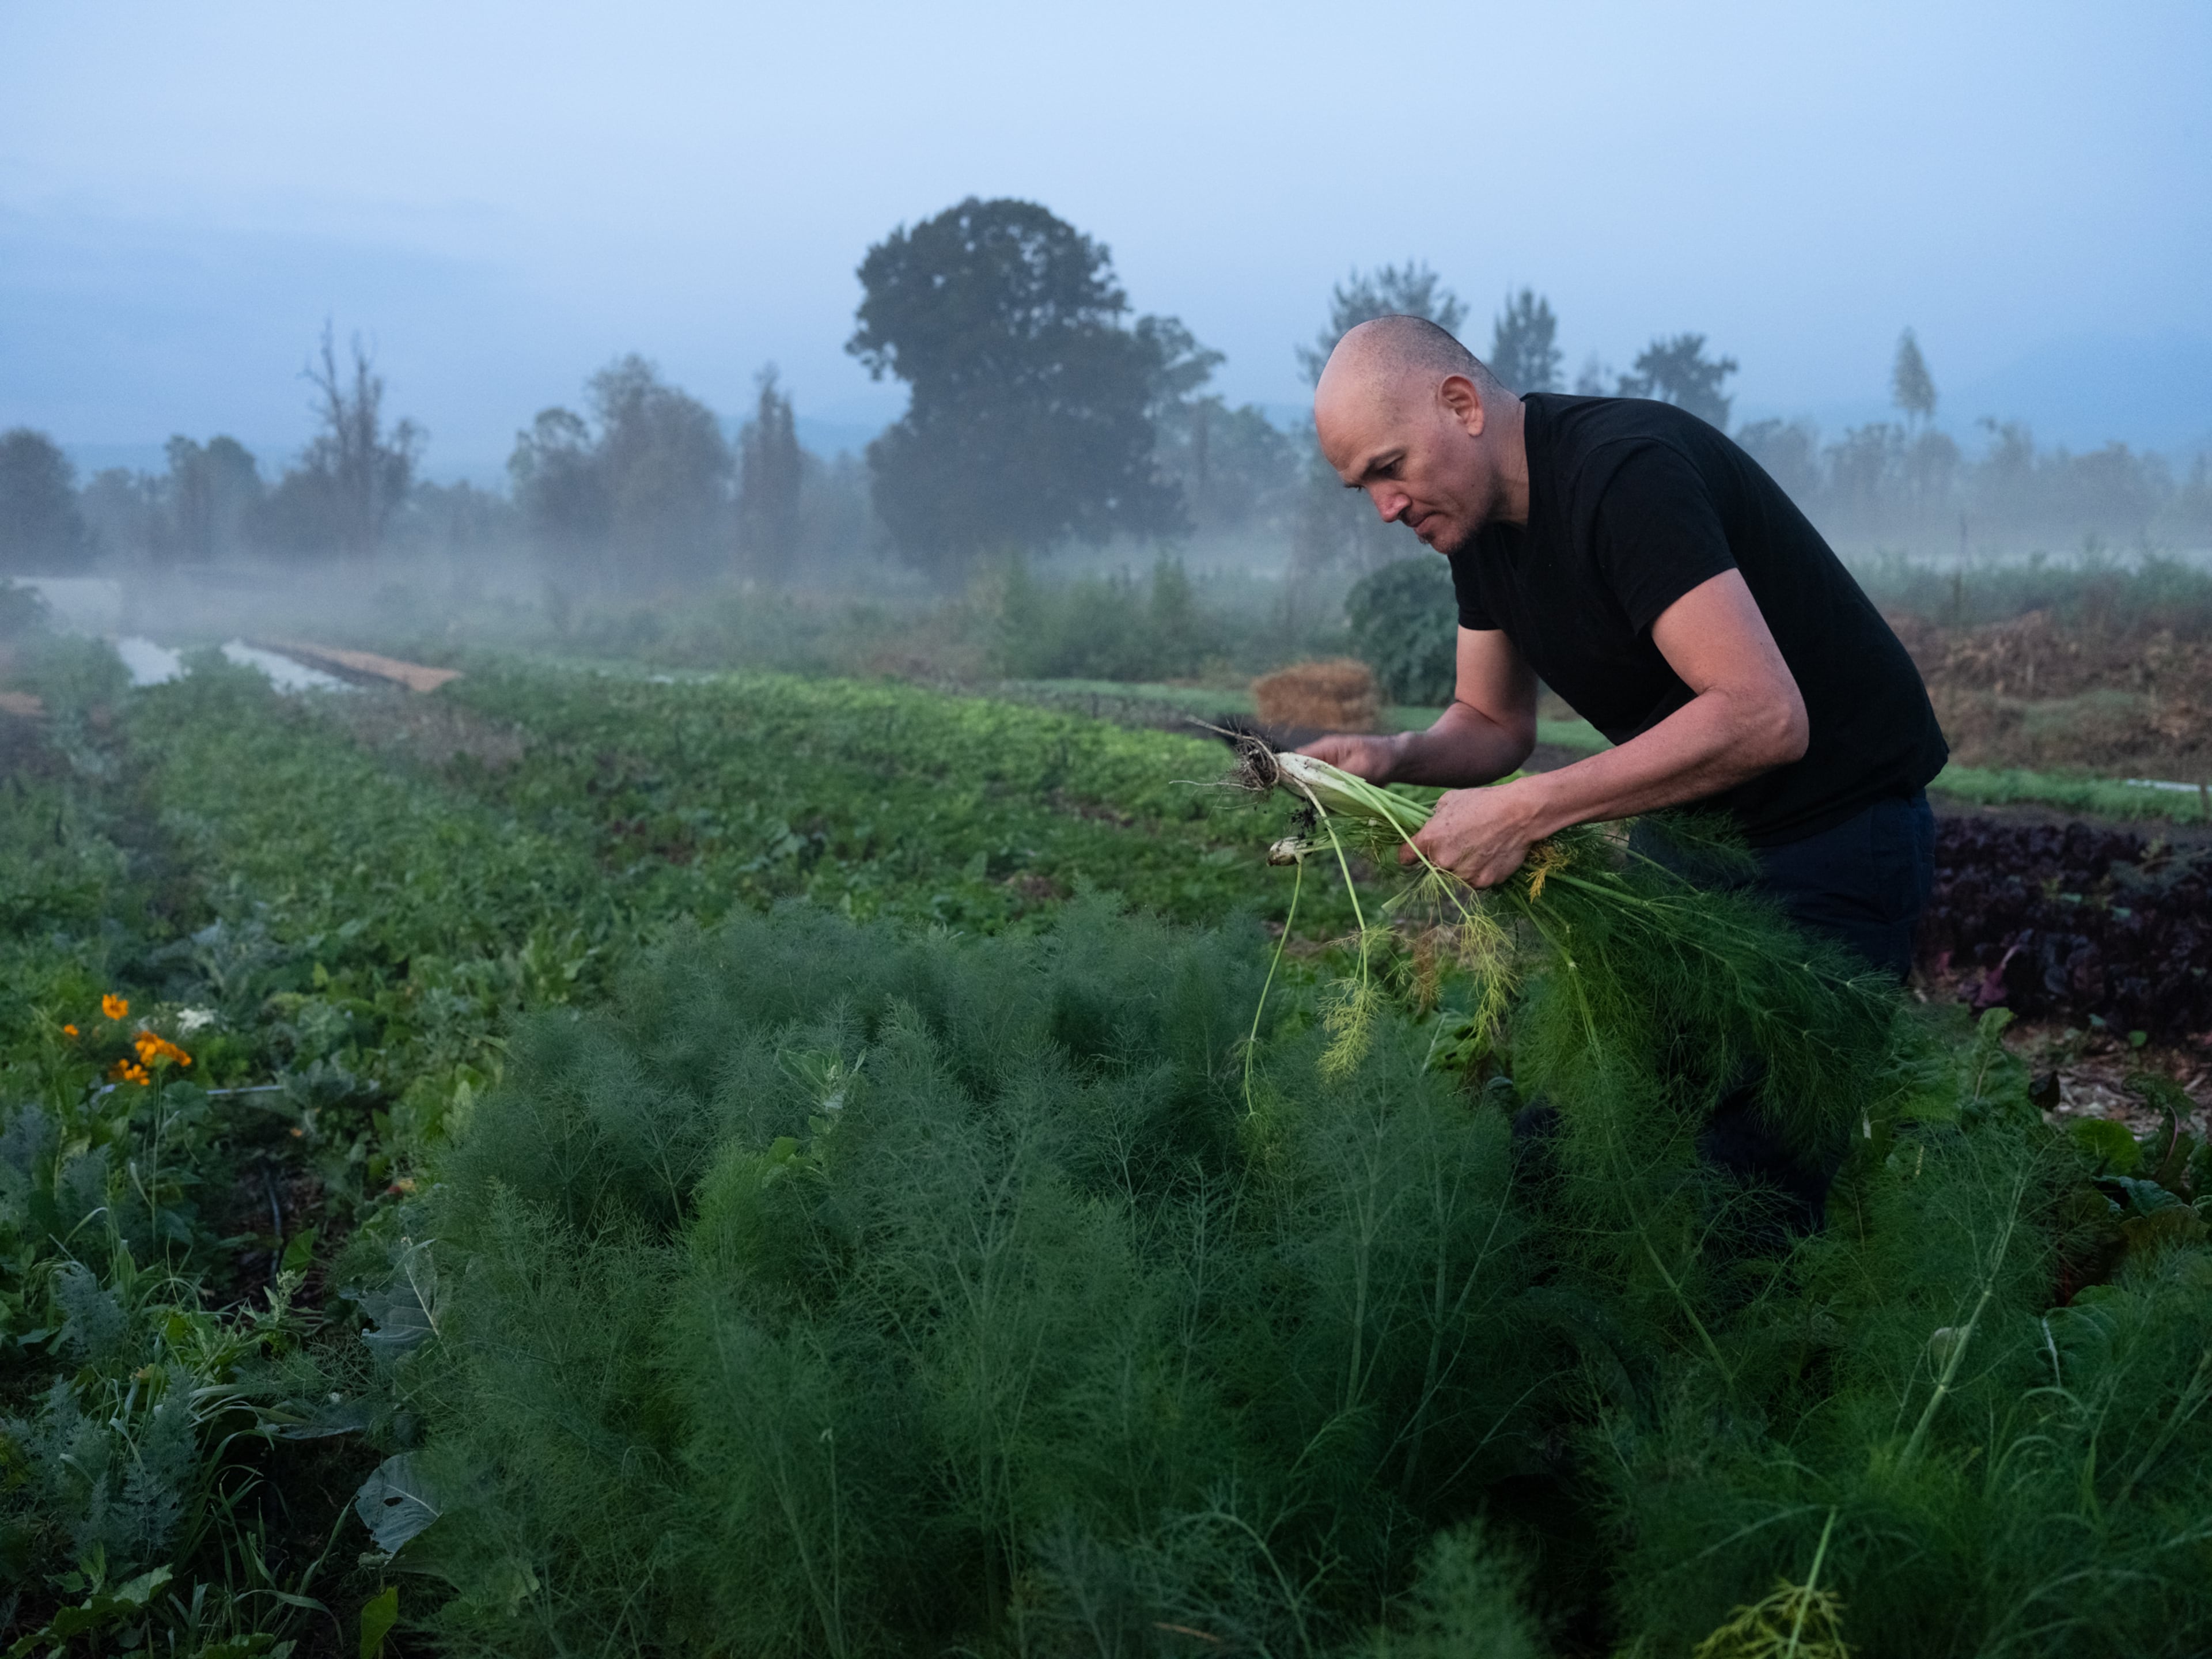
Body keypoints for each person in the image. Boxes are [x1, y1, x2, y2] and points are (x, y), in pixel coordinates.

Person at [1301, 315, 1949, 1229]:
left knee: (1747, 1192)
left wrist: (1529, 813)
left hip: (1834, 835)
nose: (1385, 506)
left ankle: (1732, 1359)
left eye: (1388, 466)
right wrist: (1395, 756)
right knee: (1579, 1130)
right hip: (1691, 834)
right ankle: (1564, 1351)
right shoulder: (1475, 527)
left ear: (1461, 405)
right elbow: (1492, 721)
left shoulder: (1623, 474)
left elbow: (1764, 716)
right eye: (1361, 486)